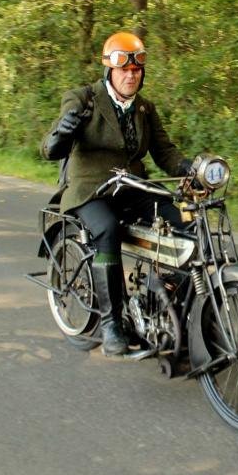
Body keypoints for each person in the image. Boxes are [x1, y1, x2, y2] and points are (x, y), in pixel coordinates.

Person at [41, 31, 191, 356]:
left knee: (182, 222)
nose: (130, 75)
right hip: (89, 189)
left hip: (131, 188)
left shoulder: (145, 109)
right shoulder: (83, 99)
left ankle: (169, 299)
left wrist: (190, 167)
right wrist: (61, 133)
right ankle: (111, 323)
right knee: (106, 230)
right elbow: (49, 148)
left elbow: (165, 153)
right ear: (110, 70)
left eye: (136, 70)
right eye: (124, 69)